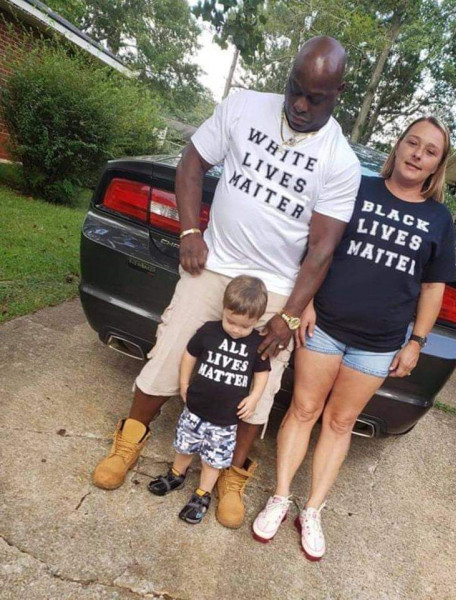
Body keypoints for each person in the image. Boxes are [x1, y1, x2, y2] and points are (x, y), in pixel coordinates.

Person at [92, 35, 362, 530]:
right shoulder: (243, 107)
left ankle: (233, 476)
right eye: (294, 90)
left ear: (338, 92)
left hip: (277, 286)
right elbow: (192, 162)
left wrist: (288, 314)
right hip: (213, 266)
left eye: (315, 98)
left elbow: (322, 247)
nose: (300, 105)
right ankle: (129, 442)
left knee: (255, 387)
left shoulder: (340, 160)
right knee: (171, 351)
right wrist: (192, 229)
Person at [252, 117, 456, 560]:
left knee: (341, 422)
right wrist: (304, 302)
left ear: (438, 165)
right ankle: (281, 498)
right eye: (412, 143)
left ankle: (313, 509)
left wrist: (416, 341)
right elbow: (320, 244)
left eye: (430, 151)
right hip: (324, 324)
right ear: (398, 145)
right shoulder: (359, 188)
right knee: (304, 409)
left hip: (380, 342)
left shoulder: (439, 219)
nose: (417, 154)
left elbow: (433, 287)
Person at [147, 276, 270, 524]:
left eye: (244, 326)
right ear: (223, 308)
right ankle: (176, 474)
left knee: (213, 459)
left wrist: (255, 397)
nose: (236, 329)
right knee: (184, 445)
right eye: (231, 321)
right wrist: (183, 383)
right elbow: (190, 354)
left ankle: (202, 494)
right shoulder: (209, 331)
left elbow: (262, 373)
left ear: (257, 320)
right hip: (195, 408)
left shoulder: (256, 344)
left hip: (225, 420)